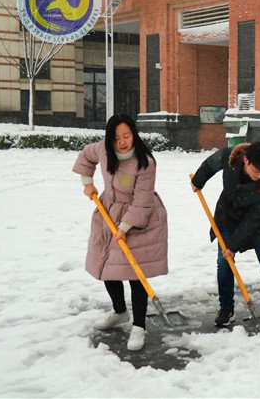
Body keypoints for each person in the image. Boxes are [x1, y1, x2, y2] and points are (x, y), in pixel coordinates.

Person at [73, 114, 168, 351]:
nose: (123, 142)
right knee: (108, 267)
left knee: (136, 274)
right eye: (117, 138)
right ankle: (119, 311)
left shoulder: (145, 162)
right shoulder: (104, 151)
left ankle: (139, 326)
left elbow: (142, 200)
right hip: (108, 214)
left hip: (141, 220)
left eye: (127, 136)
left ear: (134, 134)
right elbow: (86, 155)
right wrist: (87, 182)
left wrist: (125, 227)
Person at [191, 141, 260, 335]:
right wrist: (199, 180)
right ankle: (226, 308)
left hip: (259, 225)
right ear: (245, 160)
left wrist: (232, 245)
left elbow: (253, 219)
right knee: (224, 263)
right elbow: (210, 164)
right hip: (228, 217)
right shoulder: (231, 157)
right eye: (256, 171)